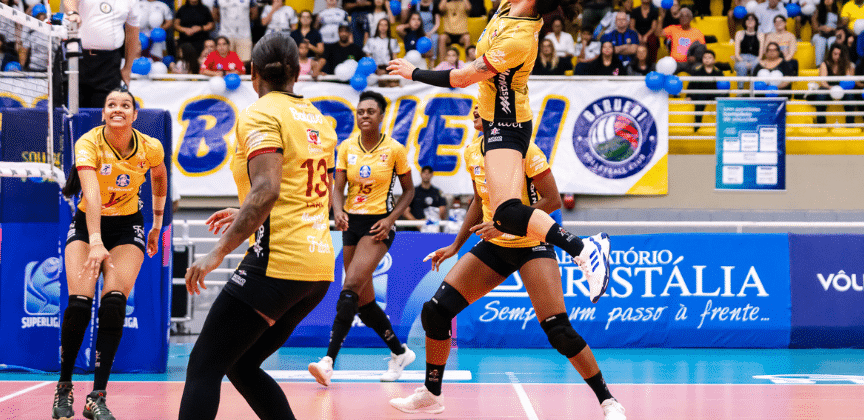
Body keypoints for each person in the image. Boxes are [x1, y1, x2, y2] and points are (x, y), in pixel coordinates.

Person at [386, 0, 611, 302]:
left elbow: (461, 77)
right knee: (506, 211)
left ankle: (584, 249)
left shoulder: (520, 38)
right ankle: (583, 249)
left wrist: (414, 73)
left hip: (508, 123)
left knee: (508, 209)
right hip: (494, 122)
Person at [390, 106, 626, 419]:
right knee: (435, 311)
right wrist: (455, 245)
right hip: (496, 245)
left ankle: (609, 401)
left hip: (532, 245)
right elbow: (479, 200)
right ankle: (432, 394)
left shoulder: (525, 149)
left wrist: (502, 225)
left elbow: (552, 200)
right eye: (474, 106)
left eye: (483, 105)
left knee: (558, 330)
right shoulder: (472, 151)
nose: (476, 110)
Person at [178, 35, 338, 420]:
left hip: (277, 264)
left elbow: (267, 189)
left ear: (252, 72)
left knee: (203, 366)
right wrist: (242, 211)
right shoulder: (319, 120)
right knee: (242, 364)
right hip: (318, 269)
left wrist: (218, 251)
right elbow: (301, 190)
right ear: (297, 72)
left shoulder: (261, 113)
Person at [54, 89, 167, 420]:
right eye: (112, 105)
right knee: (79, 305)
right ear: (104, 113)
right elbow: (91, 193)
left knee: (114, 304)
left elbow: (160, 177)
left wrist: (157, 223)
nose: (118, 109)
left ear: (134, 115)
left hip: (127, 225)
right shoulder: (88, 143)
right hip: (88, 224)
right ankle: (64, 386)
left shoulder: (150, 147)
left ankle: (97, 397)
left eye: (125, 105)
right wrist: (95, 240)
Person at [307, 91, 416, 385]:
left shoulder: (394, 149)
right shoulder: (346, 147)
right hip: (351, 224)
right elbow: (338, 187)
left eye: (370, 111)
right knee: (364, 302)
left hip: (378, 224)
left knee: (350, 287)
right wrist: (338, 211)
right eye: (360, 111)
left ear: (381, 116)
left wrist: (391, 220)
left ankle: (328, 361)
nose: (364, 115)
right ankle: (400, 352)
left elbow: (409, 191)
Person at [61, 0, 140, 108]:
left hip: (108, 66)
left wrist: (127, 69)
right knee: (68, 113)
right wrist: (73, 13)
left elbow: (133, 32)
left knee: (103, 116)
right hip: (75, 58)